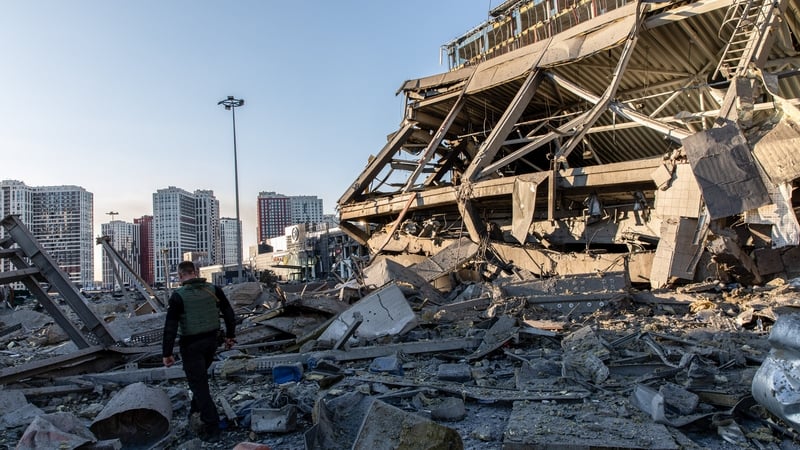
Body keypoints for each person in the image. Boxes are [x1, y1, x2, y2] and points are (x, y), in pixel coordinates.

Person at [162, 261, 236, 442]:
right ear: (195, 272)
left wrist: (167, 353)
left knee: (199, 385)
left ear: (180, 276)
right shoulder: (213, 289)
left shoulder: (178, 296)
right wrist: (230, 336)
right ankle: (194, 412)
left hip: (191, 345)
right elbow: (228, 313)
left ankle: (212, 427)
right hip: (212, 342)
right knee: (199, 379)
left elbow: (170, 326)